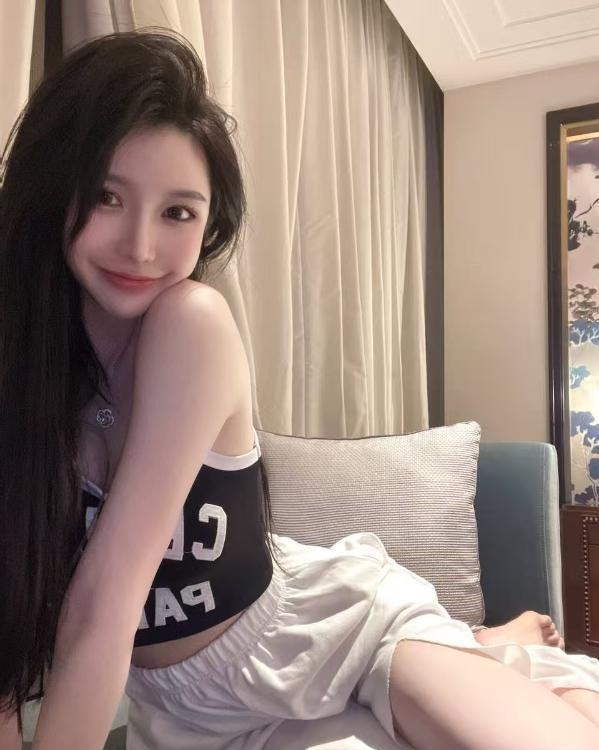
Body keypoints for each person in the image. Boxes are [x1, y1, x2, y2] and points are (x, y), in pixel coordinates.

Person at [0, 28, 598, 750]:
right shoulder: (24, 370)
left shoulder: (190, 325)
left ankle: (498, 656)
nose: (141, 247)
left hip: (324, 637)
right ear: (53, 186)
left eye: (178, 212)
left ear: (209, 225)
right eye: (106, 197)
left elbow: (105, 603)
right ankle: (490, 649)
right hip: (185, 715)